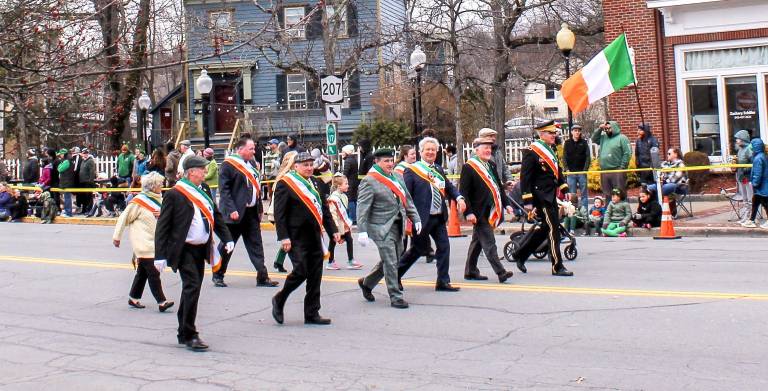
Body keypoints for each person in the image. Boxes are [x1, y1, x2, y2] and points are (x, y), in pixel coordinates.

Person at [154, 155, 234, 351]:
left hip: (201, 248)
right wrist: (160, 255)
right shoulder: (175, 194)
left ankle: (183, 330)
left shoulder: (203, 190)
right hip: (184, 249)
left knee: (193, 288)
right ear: (191, 172)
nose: (205, 172)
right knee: (191, 287)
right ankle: (190, 334)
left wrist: (228, 237)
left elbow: (215, 214)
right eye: (202, 169)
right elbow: (163, 227)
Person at [271, 152, 340, 325]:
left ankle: (312, 312)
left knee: (315, 274)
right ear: (296, 166)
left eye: (311, 165)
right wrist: (284, 237)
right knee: (301, 270)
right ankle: (280, 299)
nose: (309, 168)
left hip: (315, 235)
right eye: (305, 165)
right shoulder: (286, 183)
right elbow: (280, 214)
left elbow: (324, 210)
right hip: (296, 236)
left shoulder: (316, 183)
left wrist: (333, 230)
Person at [398, 137, 466, 292]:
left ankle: (442, 281)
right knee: (418, 249)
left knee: (444, 247)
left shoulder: (438, 169)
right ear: (421, 152)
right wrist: (408, 218)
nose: (430, 152)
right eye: (427, 149)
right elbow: (406, 195)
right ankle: (395, 275)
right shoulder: (412, 170)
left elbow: (448, 187)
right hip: (421, 219)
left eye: (433, 150)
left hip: (438, 216)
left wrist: (459, 197)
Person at [356, 149, 421, 309]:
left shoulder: (397, 177)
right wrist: (362, 230)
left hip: (398, 225)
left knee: (394, 258)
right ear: (376, 162)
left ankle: (367, 283)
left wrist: (416, 218)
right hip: (380, 227)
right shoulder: (369, 181)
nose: (390, 164)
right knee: (391, 261)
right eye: (386, 161)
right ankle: (396, 297)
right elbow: (362, 208)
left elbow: (407, 200)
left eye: (391, 160)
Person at [213, 137, 278, 288]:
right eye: (251, 149)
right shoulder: (228, 165)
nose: (254, 151)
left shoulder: (252, 164)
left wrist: (260, 208)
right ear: (240, 149)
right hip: (235, 212)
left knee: (256, 244)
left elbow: (256, 188)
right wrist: (231, 209)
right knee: (228, 245)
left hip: (250, 212)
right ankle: (218, 274)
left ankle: (262, 276)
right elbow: (224, 190)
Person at [511, 121, 573, 277]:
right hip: (540, 196)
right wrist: (527, 201)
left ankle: (521, 254)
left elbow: (557, 172)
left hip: (550, 194)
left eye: (554, 133)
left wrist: (564, 188)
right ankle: (557, 266)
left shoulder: (551, 150)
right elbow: (525, 178)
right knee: (554, 229)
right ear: (542, 134)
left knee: (546, 228)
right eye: (551, 133)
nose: (554, 135)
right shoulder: (532, 152)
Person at [113, 172, 174, 312]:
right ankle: (161, 301)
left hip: (155, 242)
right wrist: (117, 236)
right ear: (153, 186)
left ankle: (133, 298)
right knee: (153, 272)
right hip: (142, 242)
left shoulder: (160, 200)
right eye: (160, 184)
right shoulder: (139, 202)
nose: (162, 186)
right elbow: (124, 218)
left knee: (142, 272)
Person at [460, 138, 516, 283]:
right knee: (489, 242)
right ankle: (501, 272)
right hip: (478, 212)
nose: (488, 151)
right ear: (476, 150)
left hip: (491, 209)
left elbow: (498, 187)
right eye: (484, 148)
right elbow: (463, 192)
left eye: (489, 148)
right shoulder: (469, 167)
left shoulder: (491, 165)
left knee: (477, 241)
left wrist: (507, 204)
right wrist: (468, 212)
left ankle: (470, 271)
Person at [268, 151, 299, 273]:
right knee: (290, 239)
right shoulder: (286, 178)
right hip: (281, 213)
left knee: (290, 239)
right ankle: (298, 266)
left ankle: (279, 261)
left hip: (287, 212)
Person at [326, 174, 363, 270]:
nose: (348, 185)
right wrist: (335, 228)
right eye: (346, 184)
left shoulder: (344, 196)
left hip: (344, 225)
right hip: (336, 226)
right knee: (333, 242)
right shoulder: (333, 199)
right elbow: (332, 214)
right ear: (339, 186)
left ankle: (351, 260)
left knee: (349, 240)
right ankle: (330, 262)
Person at [591, 121, 631, 200]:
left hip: (617, 170)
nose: (607, 130)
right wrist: (600, 129)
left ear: (615, 128)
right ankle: (609, 211)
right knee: (607, 194)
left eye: (609, 128)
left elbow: (627, 153)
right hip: (605, 171)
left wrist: (622, 167)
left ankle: (622, 210)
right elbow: (594, 139)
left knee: (620, 193)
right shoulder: (603, 138)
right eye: (606, 128)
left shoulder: (622, 138)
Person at [741, 138, 768, 229]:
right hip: (762, 186)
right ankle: (751, 220)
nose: (750, 147)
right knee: (755, 203)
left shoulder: (758, 158)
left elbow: (758, 173)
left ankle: (752, 220)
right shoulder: (761, 156)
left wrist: (755, 183)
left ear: (756, 146)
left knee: (765, 204)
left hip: (761, 186)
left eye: (752, 145)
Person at [563, 124, 591, 210]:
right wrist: (566, 169)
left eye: (578, 131)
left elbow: (588, 157)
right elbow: (564, 157)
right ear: (571, 132)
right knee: (572, 195)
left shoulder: (584, 142)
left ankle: (584, 213)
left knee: (584, 194)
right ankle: (573, 213)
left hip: (582, 172)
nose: (577, 132)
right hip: (571, 173)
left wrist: (585, 169)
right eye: (575, 131)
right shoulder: (567, 143)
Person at [734, 130, 753, 205]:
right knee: (743, 195)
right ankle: (746, 208)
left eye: (737, 138)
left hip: (747, 176)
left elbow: (753, 162)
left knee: (749, 194)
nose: (736, 140)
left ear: (743, 139)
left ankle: (751, 209)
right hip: (741, 175)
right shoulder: (740, 149)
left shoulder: (749, 149)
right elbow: (740, 161)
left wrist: (746, 169)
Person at [341, 144, 360, 223]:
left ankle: (352, 218)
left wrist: (342, 179)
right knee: (354, 199)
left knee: (350, 200)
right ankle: (355, 217)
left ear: (347, 152)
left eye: (343, 152)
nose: (342, 153)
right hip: (354, 182)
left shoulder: (348, 161)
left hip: (350, 183)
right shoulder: (354, 159)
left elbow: (345, 173)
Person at [78, 149, 97, 214]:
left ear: (88, 154)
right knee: (83, 196)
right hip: (82, 181)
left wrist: (90, 181)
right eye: (84, 153)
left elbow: (92, 172)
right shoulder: (83, 161)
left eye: (86, 153)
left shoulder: (90, 161)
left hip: (88, 182)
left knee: (88, 196)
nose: (85, 154)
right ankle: (84, 210)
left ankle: (89, 210)